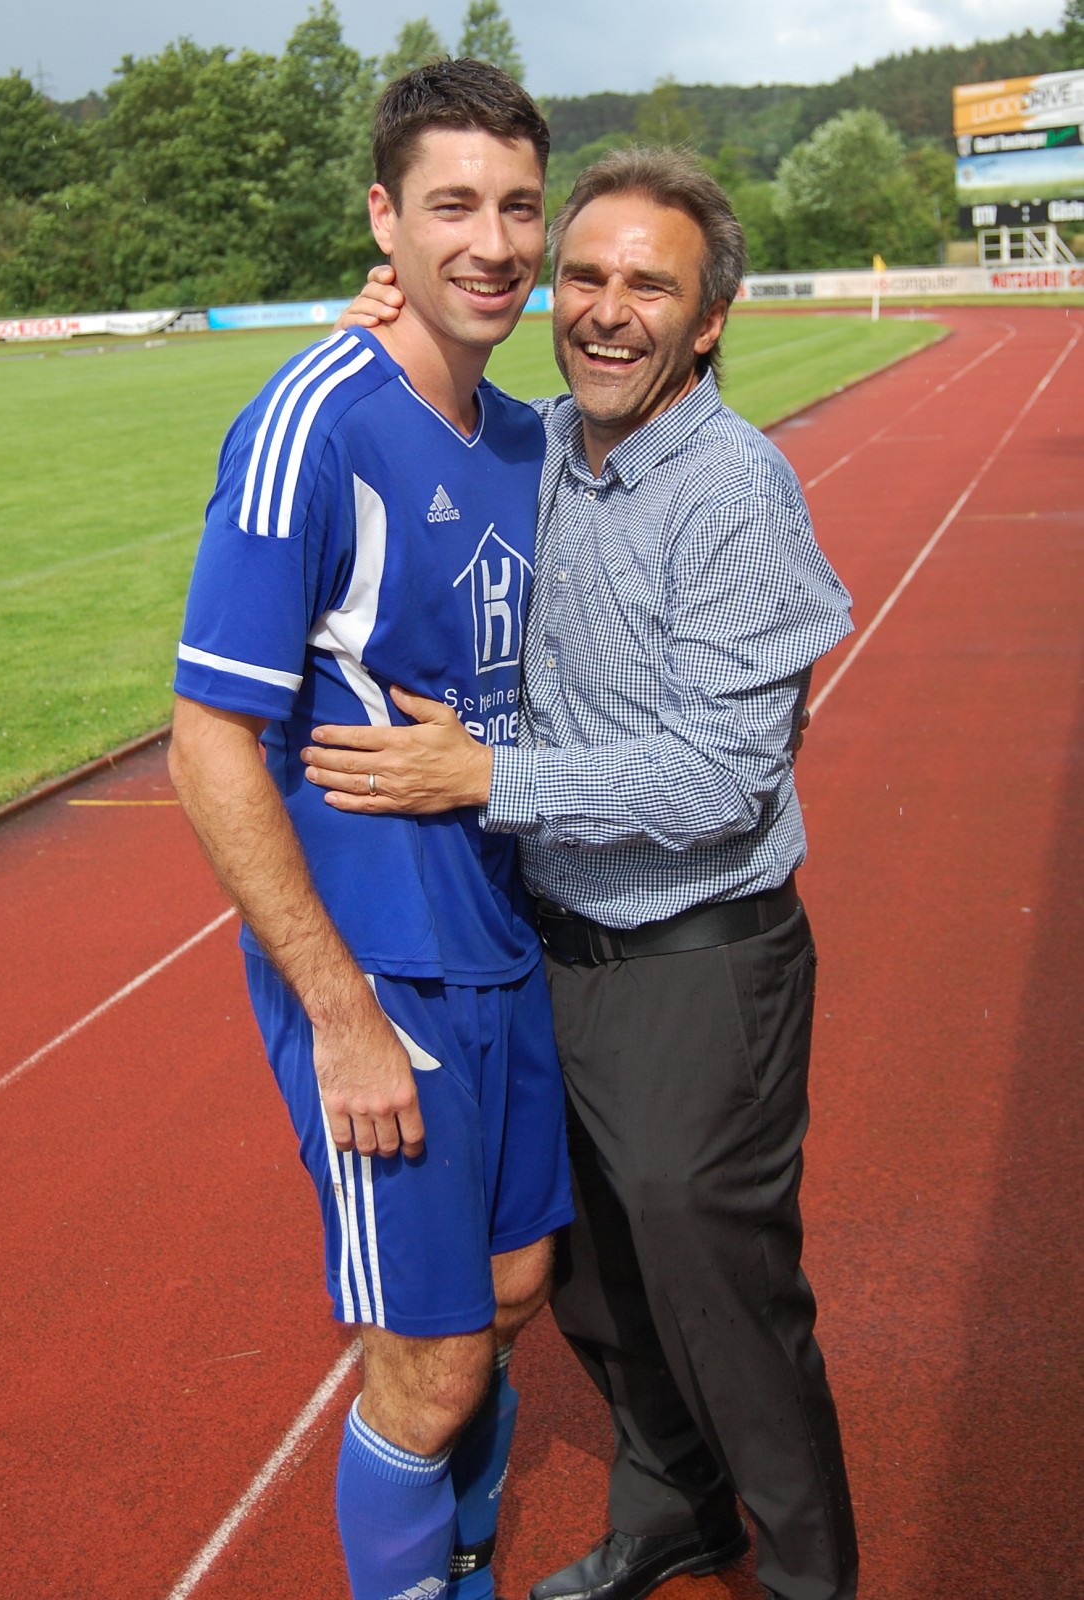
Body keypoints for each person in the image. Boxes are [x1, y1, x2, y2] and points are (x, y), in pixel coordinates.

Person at [302, 147, 859, 1600]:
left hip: (697, 963)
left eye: (650, 287)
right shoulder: (541, 444)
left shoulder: (732, 489)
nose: (609, 311)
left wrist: (485, 778)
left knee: (723, 1297)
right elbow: (419, 422)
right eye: (588, 276)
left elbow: (721, 779)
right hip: (552, 947)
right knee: (592, 1283)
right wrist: (382, 336)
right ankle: (676, 1508)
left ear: (710, 318)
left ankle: (807, 1576)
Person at [167, 60, 574, 1600]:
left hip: (503, 940)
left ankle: (458, 1560)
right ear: (383, 220)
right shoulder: (310, 424)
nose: (493, 242)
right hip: (380, 971)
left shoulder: (526, 440)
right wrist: (337, 1013)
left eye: (517, 206)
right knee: (432, 1364)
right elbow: (208, 737)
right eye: (451, 205)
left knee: (515, 1285)